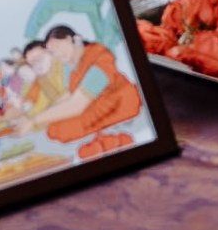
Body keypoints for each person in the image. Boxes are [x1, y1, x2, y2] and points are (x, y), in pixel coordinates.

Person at [26, 23, 145, 160]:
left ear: (75, 39)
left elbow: (77, 105)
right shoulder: (69, 67)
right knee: (54, 127)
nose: (57, 54)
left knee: (63, 130)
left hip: (117, 101)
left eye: (58, 47)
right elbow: (68, 95)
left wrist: (35, 120)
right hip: (93, 103)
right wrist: (43, 115)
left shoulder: (99, 56)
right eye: (53, 52)